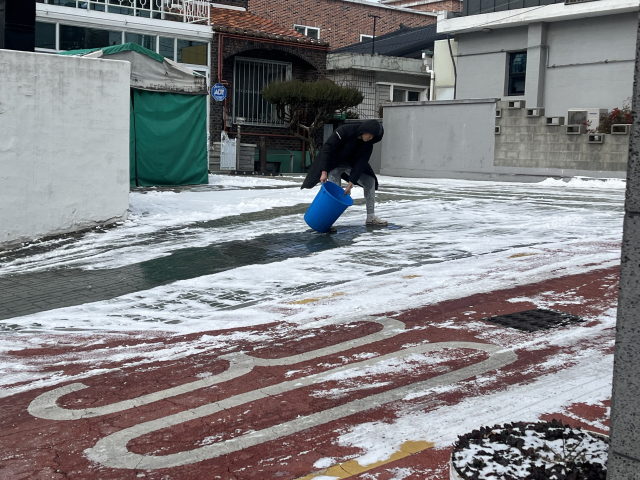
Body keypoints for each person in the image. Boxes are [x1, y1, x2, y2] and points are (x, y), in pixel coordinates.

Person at [301, 119, 387, 226]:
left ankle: (370, 217)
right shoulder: (344, 130)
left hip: (350, 163)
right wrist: (324, 172)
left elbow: (361, 163)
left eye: (374, 137)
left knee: (370, 181)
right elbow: (327, 149)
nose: (371, 138)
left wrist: (351, 183)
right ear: (365, 130)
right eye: (371, 134)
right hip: (334, 162)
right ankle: (327, 220)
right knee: (334, 186)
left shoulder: (368, 144)